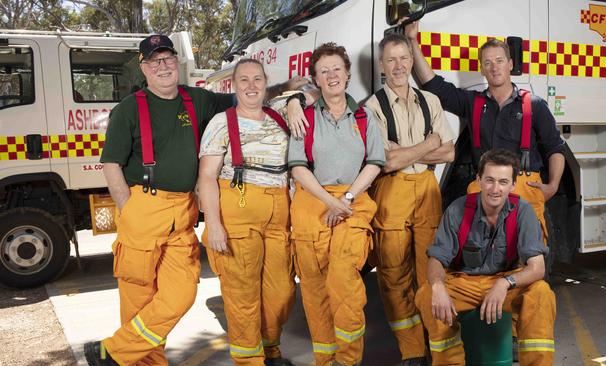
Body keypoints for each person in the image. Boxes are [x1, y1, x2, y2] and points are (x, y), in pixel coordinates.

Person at [84, 34, 306, 366]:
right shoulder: (129, 109)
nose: (163, 66)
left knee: (182, 294)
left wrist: (289, 91)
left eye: (168, 59)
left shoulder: (197, 99)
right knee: (140, 298)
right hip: (143, 208)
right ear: (144, 68)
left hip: (183, 212)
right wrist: (127, 208)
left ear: (177, 62)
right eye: (155, 61)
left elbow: (247, 96)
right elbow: (111, 163)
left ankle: (111, 352)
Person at [405, 21, 566, 243]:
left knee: (529, 257)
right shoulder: (472, 102)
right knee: (479, 256)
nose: (494, 67)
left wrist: (553, 186)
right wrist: (413, 41)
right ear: (481, 69)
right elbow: (434, 86)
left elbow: (555, 148)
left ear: (510, 64)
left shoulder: (534, 105)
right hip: (486, 188)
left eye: (499, 61)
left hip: (525, 188)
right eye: (487, 63)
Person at [288, 42, 385, 366]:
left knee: (343, 278)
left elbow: (374, 162)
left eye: (336, 69)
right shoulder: (305, 118)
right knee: (315, 292)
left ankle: (347, 360)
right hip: (311, 202)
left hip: (353, 201)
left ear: (347, 75)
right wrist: (329, 200)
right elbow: (298, 166)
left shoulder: (363, 116)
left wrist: (345, 199)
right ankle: (325, 361)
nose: (331, 76)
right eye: (324, 71)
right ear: (315, 78)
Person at [414, 148, 556, 365]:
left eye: (502, 181)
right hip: (463, 284)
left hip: (506, 286)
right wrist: (437, 286)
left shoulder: (523, 212)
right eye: (489, 180)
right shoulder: (457, 210)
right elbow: (437, 259)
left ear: (513, 185)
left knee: (541, 294)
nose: (495, 189)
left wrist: (504, 283)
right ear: (478, 180)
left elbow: (537, 268)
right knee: (426, 294)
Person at [364, 33, 455, 366]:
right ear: (382, 66)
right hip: (392, 192)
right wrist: (428, 143)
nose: (400, 66)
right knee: (394, 277)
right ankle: (412, 351)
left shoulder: (430, 101)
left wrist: (410, 152)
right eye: (392, 60)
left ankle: (440, 347)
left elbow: (450, 150)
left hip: (427, 191)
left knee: (432, 272)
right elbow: (386, 162)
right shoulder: (373, 107)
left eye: (405, 58)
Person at [198, 58, 295, 366]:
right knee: (243, 294)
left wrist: (292, 100)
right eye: (244, 80)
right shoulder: (221, 123)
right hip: (238, 205)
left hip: (279, 208)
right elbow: (206, 177)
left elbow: (314, 92)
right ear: (233, 85)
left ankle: (270, 348)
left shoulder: (278, 115)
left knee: (281, 290)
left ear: (266, 83)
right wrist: (213, 223)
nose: (251, 86)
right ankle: (249, 360)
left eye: (257, 79)